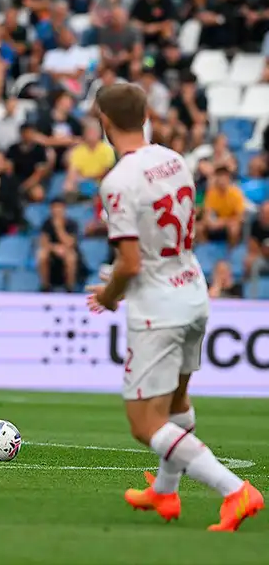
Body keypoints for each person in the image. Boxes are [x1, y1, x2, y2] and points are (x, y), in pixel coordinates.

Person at [87, 83, 263, 532]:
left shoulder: (118, 181)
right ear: (145, 114)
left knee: (145, 423)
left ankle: (234, 491)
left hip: (158, 309)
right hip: (192, 291)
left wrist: (107, 297)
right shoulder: (174, 159)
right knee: (178, 401)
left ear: (104, 121)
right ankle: (165, 493)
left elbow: (128, 262)